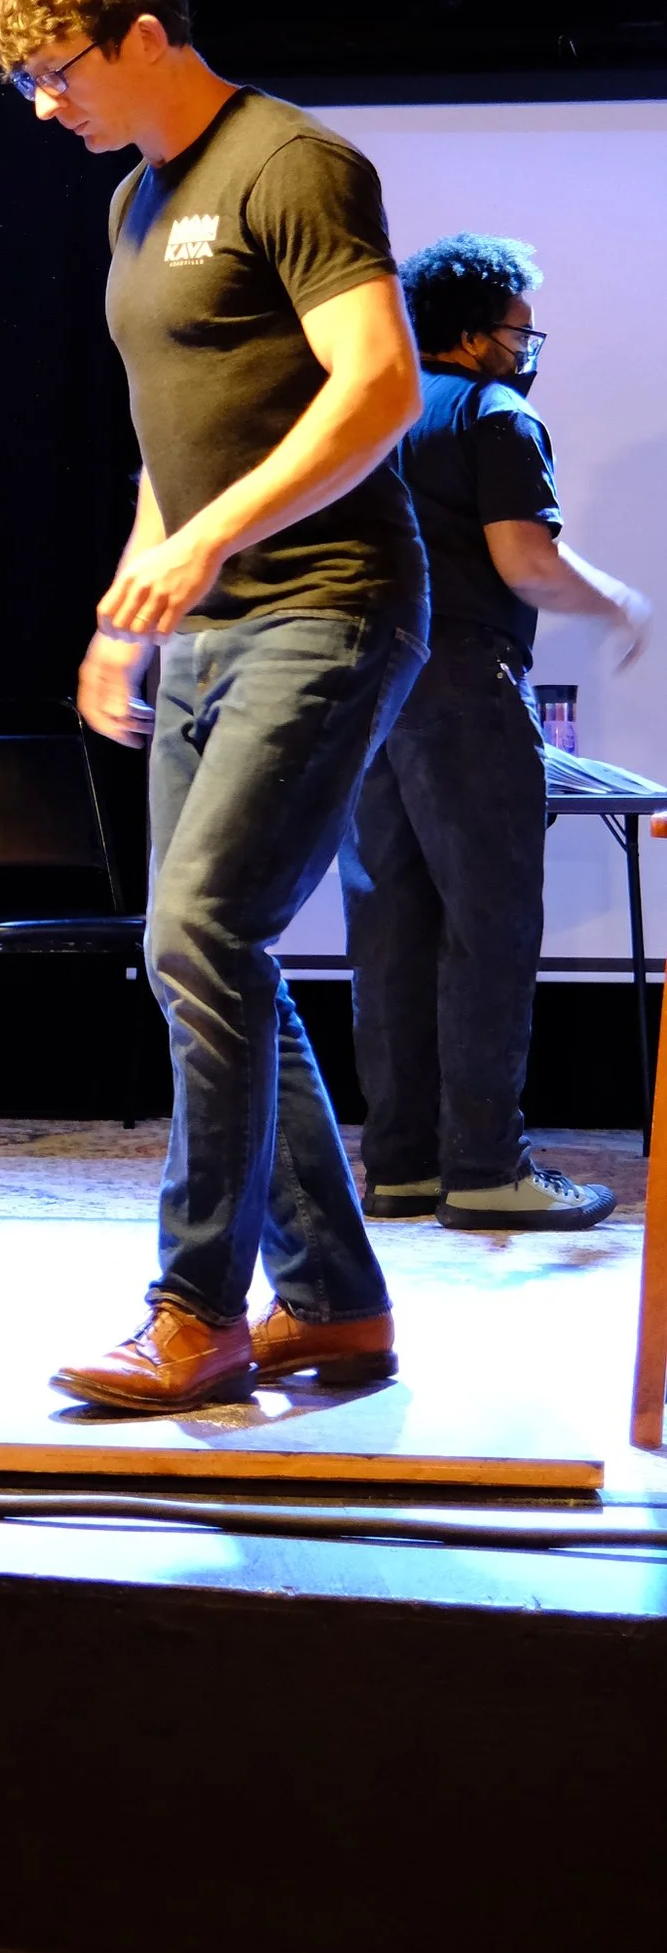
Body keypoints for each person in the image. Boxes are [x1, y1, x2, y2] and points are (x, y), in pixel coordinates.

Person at [0, 0, 427, 1412]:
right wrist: (134, 599)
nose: (47, 103)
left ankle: (197, 1310)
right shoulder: (131, 204)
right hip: (210, 626)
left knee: (196, 937)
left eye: (58, 70)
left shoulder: (294, 166)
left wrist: (210, 541)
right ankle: (338, 1308)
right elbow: (178, 431)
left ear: (146, 36)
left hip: (329, 601)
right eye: (30, 81)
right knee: (203, 957)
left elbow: (379, 388)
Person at [342, 234, 650, 1230]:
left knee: (389, 931)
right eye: (519, 328)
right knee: (490, 928)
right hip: (464, 687)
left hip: (367, 689)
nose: (528, 345)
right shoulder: (495, 413)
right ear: (474, 337)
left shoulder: (372, 411)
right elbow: (524, 563)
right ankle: (483, 1169)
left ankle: (396, 1169)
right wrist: (619, 603)